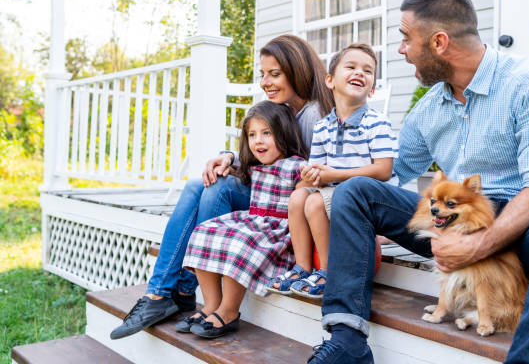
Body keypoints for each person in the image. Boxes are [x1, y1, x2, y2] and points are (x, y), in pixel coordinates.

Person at [308, 0, 529, 364]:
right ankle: (347, 343)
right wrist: (288, 170)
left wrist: (475, 246)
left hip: (524, 230)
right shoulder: (429, 109)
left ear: (438, 43)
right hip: (455, 220)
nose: (400, 50)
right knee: (357, 191)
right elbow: (390, 172)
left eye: (405, 38)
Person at [110, 34, 333, 340]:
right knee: (196, 185)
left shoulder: (313, 116)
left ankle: (189, 292)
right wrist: (230, 157)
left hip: (288, 208)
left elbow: (301, 171)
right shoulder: (279, 107)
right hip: (266, 195)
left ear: (297, 71)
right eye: (263, 74)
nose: (265, 82)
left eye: (275, 74)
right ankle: (161, 293)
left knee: (215, 190)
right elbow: (263, 153)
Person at [267, 44, 397, 300]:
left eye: (367, 71)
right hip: (335, 192)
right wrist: (309, 177)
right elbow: (316, 170)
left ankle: (328, 271)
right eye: (350, 67)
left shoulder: (377, 123)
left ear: (372, 89)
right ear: (330, 81)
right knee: (298, 197)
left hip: (367, 198)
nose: (359, 72)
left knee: (314, 201)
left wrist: (332, 175)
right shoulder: (323, 127)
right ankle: (302, 267)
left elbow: (383, 170)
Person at [178, 100, 308, 338]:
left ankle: (229, 311)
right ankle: (210, 305)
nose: (258, 140)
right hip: (254, 220)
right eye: (252, 134)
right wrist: (226, 159)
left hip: (277, 231)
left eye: (266, 133)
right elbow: (234, 165)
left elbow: (305, 204)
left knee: (240, 242)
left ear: (284, 133)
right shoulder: (253, 166)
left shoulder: (297, 167)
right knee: (204, 231)